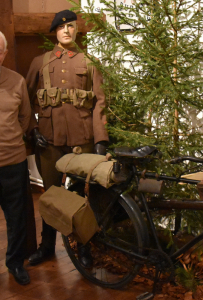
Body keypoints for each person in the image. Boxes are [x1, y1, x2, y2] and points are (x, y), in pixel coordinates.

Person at [26, 10, 109, 267]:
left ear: (76, 30)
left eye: (71, 27)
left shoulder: (89, 62)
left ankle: (84, 248)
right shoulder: (39, 63)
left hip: (81, 142)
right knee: (51, 195)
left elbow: (100, 102)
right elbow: (25, 100)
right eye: (62, 28)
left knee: (83, 198)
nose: (67, 31)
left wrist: (100, 138)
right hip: (49, 142)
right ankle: (47, 246)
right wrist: (32, 129)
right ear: (55, 31)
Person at [0, 31, 31, 285]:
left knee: (17, 216)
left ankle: (15, 263)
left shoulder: (17, 81)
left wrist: (11, 139)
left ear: (4, 54)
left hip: (13, 161)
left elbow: (25, 118)